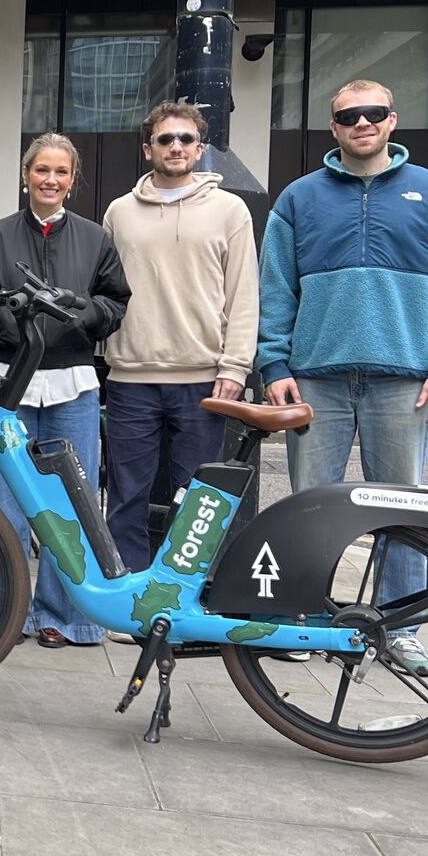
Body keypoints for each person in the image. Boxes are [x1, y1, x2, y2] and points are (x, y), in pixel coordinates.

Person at [259, 78, 428, 677]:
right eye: (349, 115)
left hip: (403, 380)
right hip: (315, 379)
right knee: (309, 508)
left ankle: (399, 628)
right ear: (334, 127)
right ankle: (303, 619)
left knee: (402, 511)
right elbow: (275, 289)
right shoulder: (299, 198)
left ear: (392, 119)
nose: (362, 122)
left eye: (374, 112)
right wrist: (274, 363)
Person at [0, 133, 128, 648]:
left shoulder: (96, 239)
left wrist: (81, 311)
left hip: (72, 384)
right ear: (25, 175)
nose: (50, 180)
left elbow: (115, 303)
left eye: (61, 171)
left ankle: (64, 615)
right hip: (5, 382)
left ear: (73, 180)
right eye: (41, 170)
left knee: (70, 504)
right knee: (0, 503)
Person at [101, 101, 257, 571]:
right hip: (130, 378)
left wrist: (236, 367)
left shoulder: (230, 210)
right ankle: (127, 591)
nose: (175, 146)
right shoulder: (119, 212)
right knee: (126, 497)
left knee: (198, 502)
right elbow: (105, 290)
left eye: (185, 138)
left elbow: (244, 295)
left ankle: (183, 592)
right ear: (148, 149)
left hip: (204, 380)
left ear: (200, 148)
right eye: (165, 139)